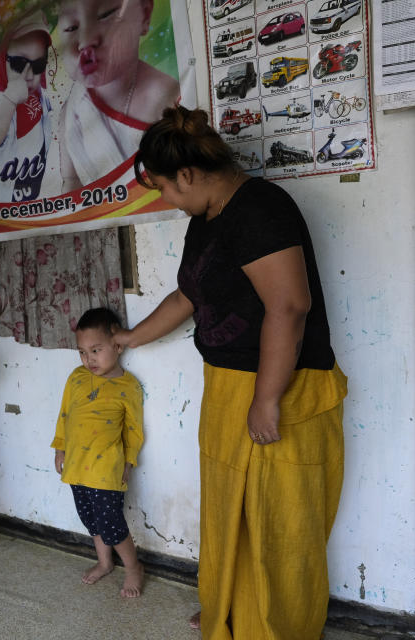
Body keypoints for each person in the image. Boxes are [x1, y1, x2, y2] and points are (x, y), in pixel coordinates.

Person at [119, 106, 347, 639]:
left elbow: (289, 307)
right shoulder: (205, 220)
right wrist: (130, 337)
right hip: (227, 388)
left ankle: (275, 628)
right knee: (229, 516)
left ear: (189, 174)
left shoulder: (261, 209)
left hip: (285, 388)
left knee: (279, 525)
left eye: (169, 192)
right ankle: (226, 606)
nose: (170, 205)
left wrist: (267, 399)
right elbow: (187, 295)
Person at [52, 307, 145, 598]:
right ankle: (104, 562)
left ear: (117, 345)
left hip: (107, 469)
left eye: (96, 350)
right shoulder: (76, 378)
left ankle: (133, 568)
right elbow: (64, 414)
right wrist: (60, 447)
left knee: (111, 523)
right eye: (82, 352)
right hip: (77, 465)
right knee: (89, 518)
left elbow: (133, 429)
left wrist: (129, 461)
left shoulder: (128, 386)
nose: (88, 359)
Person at [56, 0, 181, 190]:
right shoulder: (72, 111)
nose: (86, 40)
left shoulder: (166, 97)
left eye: (105, 15)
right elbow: (71, 184)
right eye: (71, 27)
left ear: (144, 15)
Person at [0, 10, 53, 203]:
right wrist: (9, 100)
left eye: (38, 64)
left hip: (36, 184)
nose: (28, 73)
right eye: (18, 63)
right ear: (2, 63)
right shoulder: (0, 103)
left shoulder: (41, 95)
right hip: (12, 195)